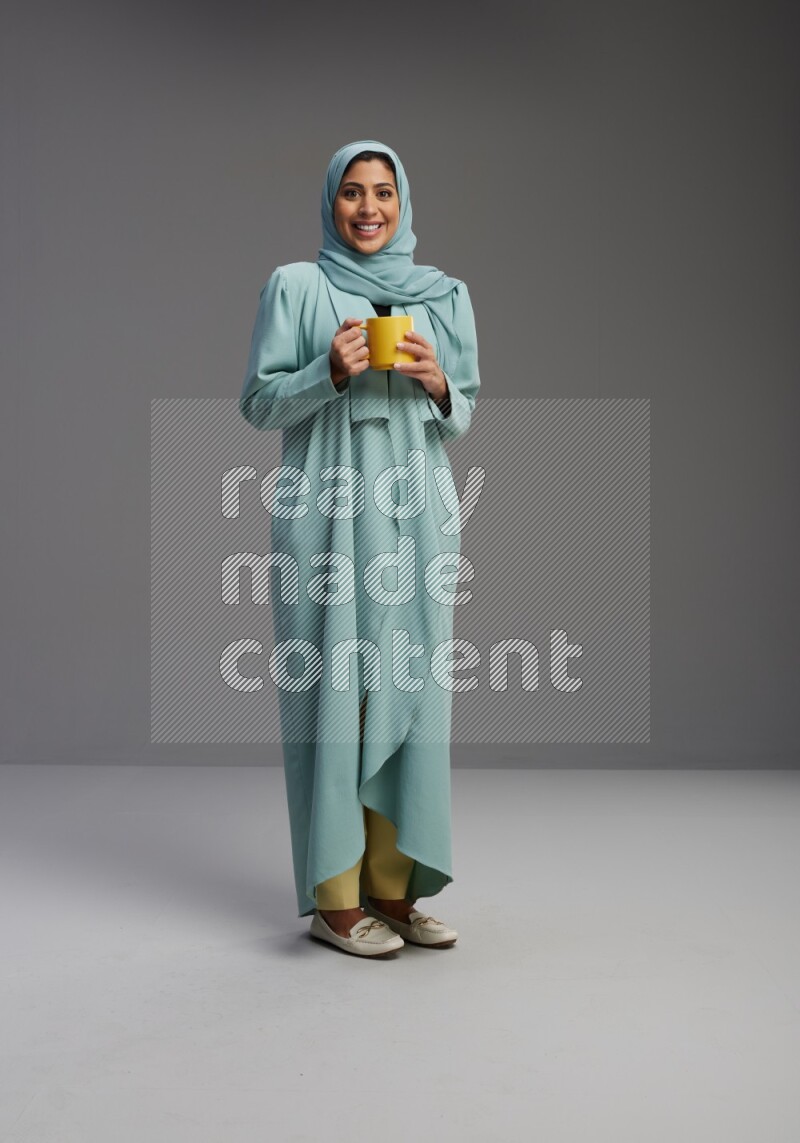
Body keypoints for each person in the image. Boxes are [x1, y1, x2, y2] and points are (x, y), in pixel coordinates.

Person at [239, 139, 480, 957]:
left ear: (403, 202)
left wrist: (438, 381)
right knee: (336, 699)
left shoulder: (444, 298)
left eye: (383, 192)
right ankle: (334, 899)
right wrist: (326, 372)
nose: (368, 207)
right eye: (352, 192)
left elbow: (464, 410)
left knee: (410, 700)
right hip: (329, 517)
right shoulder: (298, 287)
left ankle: (394, 887)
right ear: (330, 204)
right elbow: (259, 406)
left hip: (416, 518)